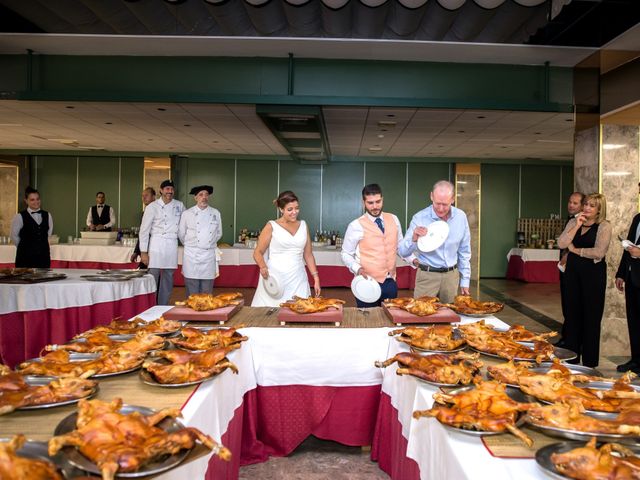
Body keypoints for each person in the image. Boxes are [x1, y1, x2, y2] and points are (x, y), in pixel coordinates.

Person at [558, 193, 611, 367]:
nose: (587, 208)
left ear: (599, 210)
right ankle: (572, 358)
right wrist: (577, 225)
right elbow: (561, 243)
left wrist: (575, 251)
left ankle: (589, 362)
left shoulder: (604, 226)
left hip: (593, 276)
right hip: (573, 274)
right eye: (586, 204)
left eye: (592, 206)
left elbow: (599, 252)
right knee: (572, 315)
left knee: (591, 317)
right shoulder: (574, 222)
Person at [341, 183, 414, 307]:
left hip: (390, 281)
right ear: (363, 203)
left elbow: (400, 246)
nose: (375, 206)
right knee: (368, 320)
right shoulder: (355, 225)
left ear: (382, 199)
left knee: (390, 318)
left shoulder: (394, 219)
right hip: (366, 282)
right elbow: (346, 253)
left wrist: (413, 260)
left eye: (378, 201)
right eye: (370, 203)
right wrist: (357, 268)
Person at [398, 180, 471, 303]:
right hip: (427, 276)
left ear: (453, 199)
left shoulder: (461, 217)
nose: (441, 209)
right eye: (437, 204)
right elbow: (402, 252)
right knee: (421, 316)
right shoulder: (419, 218)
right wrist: (414, 239)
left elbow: (464, 251)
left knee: (449, 317)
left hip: (451, 277)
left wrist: (465, 280)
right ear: (431, 196)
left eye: (445, 204)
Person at [251, 190, 320, 307]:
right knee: (269, 315)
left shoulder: (303, 225)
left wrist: (316, 277)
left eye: (297, 208)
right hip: (275, 278)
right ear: (281, 209)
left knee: (300, 312)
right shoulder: (271, 226)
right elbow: (257, 252)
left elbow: (308, 255)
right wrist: (263, 267)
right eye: (290, 209)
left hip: (298, 278)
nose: (294, 212)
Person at [139, 180, 185, 305]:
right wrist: (143, 252)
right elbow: (144, 230)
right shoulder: (152, 207)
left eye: (171, 189)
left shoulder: (179, 205)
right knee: (153, 277)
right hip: (156, 244)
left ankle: (162, 305)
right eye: (166, 189)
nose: (169, 192)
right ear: (161, 190)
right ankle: (150, 305)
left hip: (171, 244)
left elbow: (184, 226)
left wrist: (188, 243)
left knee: (168, 278)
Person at [178, 185, 223, 297]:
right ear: (195, 198)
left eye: (206, 195)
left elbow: (219, 233)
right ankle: (191, 314)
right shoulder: (187, 213)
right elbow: (181, 234)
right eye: (201, 195)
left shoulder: (215, 213)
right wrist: (192, 246)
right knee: (192, 292)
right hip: (192, 255)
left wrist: (207, 245)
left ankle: (206, 314)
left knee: (207, 292)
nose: (204, 197)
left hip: (208, 255)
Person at [615, 183, 640, 373]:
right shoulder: (637, 218)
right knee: (634, 321)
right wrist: (621, 273)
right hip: (633, 278)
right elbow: (629, 246)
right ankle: (636, 360)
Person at [556, 191, 585, 348]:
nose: (571, 205)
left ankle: (570, 339)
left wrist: (567, 254)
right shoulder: (571, 220)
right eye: (570, 202)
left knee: (572, 305)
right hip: (565, 268)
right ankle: (566, 336)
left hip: (574, 267)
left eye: (575, 203)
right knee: (566, 304)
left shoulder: (582, 221)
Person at [10, 186, 53, 268]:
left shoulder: (48, 215)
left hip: (43, 258)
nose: (36, 202)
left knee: (44, 279)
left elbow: (48, 234)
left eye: (37, 199)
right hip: (25, 258)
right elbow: (13, 236)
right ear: (26, 201)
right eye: (32, 200)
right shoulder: (19, 217)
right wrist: (25, 247)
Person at [130, 187, 156, 268]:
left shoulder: (158, 211)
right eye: (142, 196)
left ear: (153, 197)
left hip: (154, 249)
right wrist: (136, 251)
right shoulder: (144, 212)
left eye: (146, 195)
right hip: (145, 249)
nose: (144, 198)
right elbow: (143, 233)